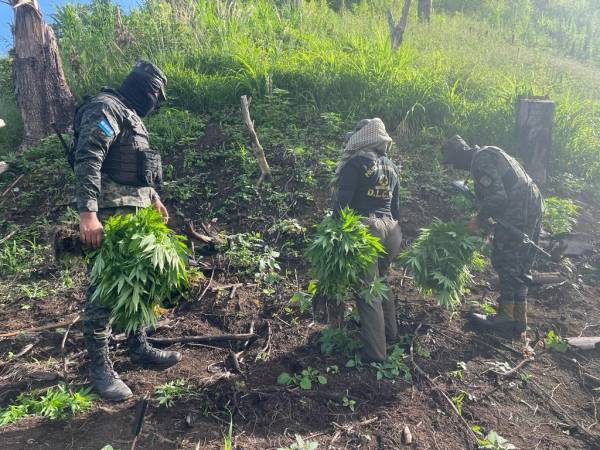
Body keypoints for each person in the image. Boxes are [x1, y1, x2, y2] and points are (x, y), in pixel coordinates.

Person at [74, 60, 181, 401]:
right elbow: (89, 157)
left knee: (137, 284)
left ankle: (138, 345)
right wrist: (88, 213)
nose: (155, 102)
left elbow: (137, 167)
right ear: (140, 87)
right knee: (105, 289)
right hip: (110, 216)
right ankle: (99, 367)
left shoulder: (130, 115)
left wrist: (154, 198)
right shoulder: (106, 108)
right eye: (154, 94)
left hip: (136, 215)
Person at [441, 135, 544, 337]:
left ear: (460, 155)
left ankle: (506, 317)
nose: (457, 168)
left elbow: (497, 197)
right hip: (531, 205)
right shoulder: (490, 152)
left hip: (518, 210)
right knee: (520, 264)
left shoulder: (480, 160)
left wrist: (478, 219)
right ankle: (519, 320)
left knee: (505, 261)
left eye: (454, 163)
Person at [333, 118, 402, 363]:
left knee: (367, 290)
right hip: (392, 231)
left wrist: (335, 232)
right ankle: (391, 334)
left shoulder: (355, 162)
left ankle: (375, 354)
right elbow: (395, 208)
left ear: (362, 137)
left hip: (367, 229)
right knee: (381, 282)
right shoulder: (391, 166)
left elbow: (342, 204)